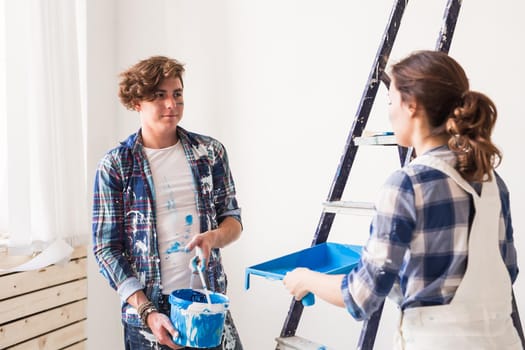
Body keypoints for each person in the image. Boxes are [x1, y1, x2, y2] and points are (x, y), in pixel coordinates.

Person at [283, 50, 521, 349]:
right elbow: (505, 270)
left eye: (390, 101)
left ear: (412, 106)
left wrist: (306, 279)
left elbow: (360, 297)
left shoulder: (406, 184)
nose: (389, 111)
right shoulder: (491, 180)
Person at [92, 56, 243, 350]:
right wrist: (148, 311)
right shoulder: (116, 165)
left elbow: (233, 220)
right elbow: (105, 248)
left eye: (177, 94)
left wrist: (214, 237)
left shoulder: (210, 152)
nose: (171, 105)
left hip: (210, 304)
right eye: (159, 96)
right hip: (151, 314)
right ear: (137, 102)